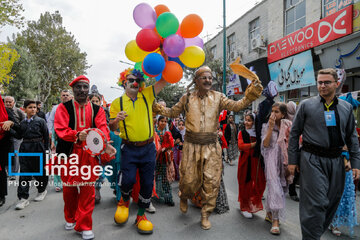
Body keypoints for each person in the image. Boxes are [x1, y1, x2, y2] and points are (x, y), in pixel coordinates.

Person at [153, 65, 263, 229]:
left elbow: (237, 106)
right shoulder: (187, 97)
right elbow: (172, 113)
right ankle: (184, 196)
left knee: (212, 182)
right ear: (196, 81)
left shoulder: (219, 97)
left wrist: (251, 93)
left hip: (211, 146)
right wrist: (157, 107)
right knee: (189, 181)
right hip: (191, 145)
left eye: (210, 78)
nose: (208, 80)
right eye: (204, 77)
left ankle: (205, 214)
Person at [288, 68, 360, 240]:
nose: (322, 86)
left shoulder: (347, 108)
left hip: (337, 161)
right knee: (316, 203)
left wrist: (356, 163)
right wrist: (292, 160)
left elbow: (352, 137)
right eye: (319, 82)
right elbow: (294, 133)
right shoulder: (306, 105)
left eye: (327, 82)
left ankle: (314, 233)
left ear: (336, 84)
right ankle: (311, 237)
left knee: (331, 202)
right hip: (312, 159)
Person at [54, 75, 116, 240]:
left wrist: (106, 144)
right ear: (73, 89)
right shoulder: (63, 107)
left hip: (89, 154)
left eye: (85, 87)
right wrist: (76, 135)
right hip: (68, 153)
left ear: (88, 90)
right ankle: (70, 217)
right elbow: (60, 129)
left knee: (88, 190)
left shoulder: (98, 109)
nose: (82, 90)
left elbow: (103, 128)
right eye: (78, 87)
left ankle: (85, 225)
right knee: (69, 189)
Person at [110, 68, 167, 234]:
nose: (134, 82)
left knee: (148, 184)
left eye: (136, 80)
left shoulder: (147, 95)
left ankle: (141, 215)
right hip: (129, 148)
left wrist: (165, 56)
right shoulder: (117, 103)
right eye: (130, 79)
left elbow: (164, 81)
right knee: (127, 180)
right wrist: (116, 120)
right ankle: (124, 202)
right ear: (124, 82)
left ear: (140, 83)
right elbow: (111, 126)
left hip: (148, 148)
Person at [12, 100, 49, 210]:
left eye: (34, 107)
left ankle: (42, 190)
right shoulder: (22, 123)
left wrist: (46, 151)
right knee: (24, 173)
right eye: (30, 107)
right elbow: (19, 136)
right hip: (25, 148)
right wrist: (10, 129)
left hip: (38, 147)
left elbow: (46, 137)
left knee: (39, 171)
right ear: (24, 109)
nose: (33, 109)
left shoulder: (40, 121)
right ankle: (23, 198)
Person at [261, 102, 292, 235]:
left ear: (284, 114)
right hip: (271, 158)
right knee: (274, 187)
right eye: (272, 111)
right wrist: (270, 128)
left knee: (282, 188)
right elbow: (265, 144)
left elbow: (294, 143)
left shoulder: (289, 126)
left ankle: (269, 212)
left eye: (277, 112)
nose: (273, 114)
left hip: (285, 160)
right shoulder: (266, 125)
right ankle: (275, 220)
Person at [237, 113, 266, 219]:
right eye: (246, 120)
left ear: (254, 122)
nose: (246, 122)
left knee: (259, 183)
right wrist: (253, 145)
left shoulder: (258, 134)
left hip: (256, 161)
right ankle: (244, 207)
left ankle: (250, 202)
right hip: (245, 162)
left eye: (249, 120)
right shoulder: (242, 133)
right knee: (245, 183)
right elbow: (240, 146)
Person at [47, 90, 72, 192]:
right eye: (63, 95)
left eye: (67, 95)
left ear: (70, 96)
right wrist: (51, 138)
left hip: (70, 138)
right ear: (60, 97)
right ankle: (58, 184)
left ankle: (68, 181)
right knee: (57, 162)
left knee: (69, 162)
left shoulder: (73, 108)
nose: (65, 97)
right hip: (57, 138)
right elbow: (51, 122)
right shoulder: (56, 108)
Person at [0, 95, 19, 207]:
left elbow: (18, 129)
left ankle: (1, 195)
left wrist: (10, 123)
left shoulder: (6, 112)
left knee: (0, 170)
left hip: (2, 144)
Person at [153, 115, 175, 206]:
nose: (163, 123)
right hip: (155, 158)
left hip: (164, 158)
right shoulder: (155, 132)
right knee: (155, 177)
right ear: (158, 122)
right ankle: (155, 195)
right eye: (162, 121)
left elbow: (171, 144)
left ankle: (168, 198)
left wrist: (167, 149)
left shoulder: (167, 132)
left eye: (165, 121)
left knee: (165, 178)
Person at [4, 96, 25, 177]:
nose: (8, 103)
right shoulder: (3, 111)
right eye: (7, 102)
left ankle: (13, 173)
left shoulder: (18, 111)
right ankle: (6, 172)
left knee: (15, 154)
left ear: (14, 102)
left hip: (16, 136)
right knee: (6, 153)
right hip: (6, 136)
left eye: (10, 102)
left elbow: (24, 122)